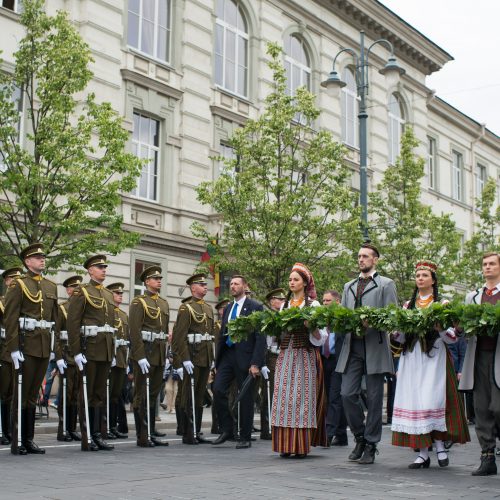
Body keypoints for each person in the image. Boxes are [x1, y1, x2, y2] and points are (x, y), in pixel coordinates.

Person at [391, 260, 470, 468]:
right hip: (412, 358)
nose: (420, 279)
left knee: (431, 401)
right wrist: (396, 332)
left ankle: (440, 446)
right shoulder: (408, 305)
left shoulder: (442, 305)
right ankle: (423, 453)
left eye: (425, 275)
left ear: (433, 280)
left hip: (434, 357)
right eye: (417, 276)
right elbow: (400, 339)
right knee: (416, 402)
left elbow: (453, 338)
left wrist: (441, 328)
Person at [336, 243, 398, 464]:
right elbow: (342, 315)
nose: (361, 259)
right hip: (352, 346)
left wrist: (373, 320)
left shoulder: (386, 284)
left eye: (365, 256)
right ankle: (360, 436)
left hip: (374, 344)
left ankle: (371, 444)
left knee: (373, 399)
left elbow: (393, 316)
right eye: (359, 256)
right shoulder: (349, 285)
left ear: (375, 260)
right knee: (346, 394)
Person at [5, 243, 59, 455]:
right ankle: (17, 440)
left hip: (44, 347)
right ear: (27, 261)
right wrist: (13, 348)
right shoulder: (18, 285)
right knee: (21, 394)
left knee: (32, 396)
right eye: (37, 257)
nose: (42, 260)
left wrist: (55, 349)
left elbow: (55, 320)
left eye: (43, 257)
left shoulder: (50, 286)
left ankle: (28, 439)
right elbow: (10, 318)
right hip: (26, 346)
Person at [271, 263, 328, 458]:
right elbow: (277, 335)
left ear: (304, 283)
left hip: (304, 355)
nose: (292, 282)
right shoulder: (285, 306)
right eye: (290, 280)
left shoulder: (314, 305)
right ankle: (284, 445)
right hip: (286, 355)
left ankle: (300, 445)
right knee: (283, 399)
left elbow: (322, 337)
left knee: (301, 398)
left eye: (295, 279)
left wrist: (310, 326)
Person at [67, 254, 116, 452]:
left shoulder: (107, 294)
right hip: (89, 349)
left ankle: (97, 435)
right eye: (99, 267)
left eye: (105, 267)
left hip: (104, 350)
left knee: (98, 395)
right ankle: (88, 437)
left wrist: (111, 352)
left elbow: (111, 325)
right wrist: (76, 352)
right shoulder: (82, 292)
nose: (104, 269)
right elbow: (73, 323)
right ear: (90, 270)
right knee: (86, 394)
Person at [459, 251, 500, 476]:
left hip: (498, 356)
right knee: (482, 409)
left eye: (492, 263)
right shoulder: (473, 296)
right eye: (484, 264)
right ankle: (487, 457)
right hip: (478, 357)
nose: (488, 267)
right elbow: (465, 327)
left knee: (498, 407)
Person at [212, 275, 265, 449]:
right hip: (227, 355)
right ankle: (228, 428)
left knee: (245, 397)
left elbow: (260, 337)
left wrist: (256, 363)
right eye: (231, 284)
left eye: (236, 284)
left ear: (245, 286)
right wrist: (217, 362)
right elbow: (222, 335)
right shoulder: (228, 308)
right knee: (218, 389)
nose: (233, 286)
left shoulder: (255, 307)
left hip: (245, 357)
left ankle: (245, 436)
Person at [172, 273, 215, 445]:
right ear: (193, 287)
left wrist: (211, 357)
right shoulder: (186, 308)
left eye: (205, 284)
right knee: (188, 395)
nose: (205, 287)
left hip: (205, 357)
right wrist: (184, 359)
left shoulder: (208, 308)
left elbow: (210, 335)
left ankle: (197, 430)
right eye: (201, 284)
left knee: (199, 396)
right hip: (193, 356)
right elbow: (178, 338)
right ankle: (188, 431)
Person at [129, 265, 169, 448]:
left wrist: (167, 356)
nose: (159, 280)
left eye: (160, 278)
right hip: (145, 354)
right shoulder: (139, 302)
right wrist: (139, 356)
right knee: (141, 395)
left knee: (153, 395)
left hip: (159, 354)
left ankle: (151, 432)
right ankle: (142, 435)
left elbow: (165, 332)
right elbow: (134, 331)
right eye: (155, 278)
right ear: (146, 282)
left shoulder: (163, 303)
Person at [54, 275, 83, 442]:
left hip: (79, 358)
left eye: (79, 288)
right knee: (66, 395)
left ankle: (72, 428)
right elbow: (56, 335)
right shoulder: (62, 309)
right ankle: (63, 429)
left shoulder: (82, 309)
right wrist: (58, 357)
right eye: (74, 288)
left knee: (76, 396)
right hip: (66, 357)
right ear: (68, 290)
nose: (77, 291)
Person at [322, 289, 348, 447]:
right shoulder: (321, 317)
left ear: (337, 302)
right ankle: (341, 434)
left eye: (328, 301)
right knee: (330, 397)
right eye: (323, 301)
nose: (325, 304)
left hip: (338, 360)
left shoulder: (343, 318)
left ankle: (329, 433)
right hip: (324, 360)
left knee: (334, 397)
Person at [259, 288, 286, 441]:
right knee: (270, 392)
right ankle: (266, 427)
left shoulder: (284, 316)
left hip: (282, 355)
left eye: (282, 300)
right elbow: (265, 341)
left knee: (280, 392)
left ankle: (276, 424)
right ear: (272, 301)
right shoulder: (267, 317)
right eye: (278, 300)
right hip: (271, 356)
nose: (281, 303)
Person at [0, 267, 23, 445]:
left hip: (16, 353)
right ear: (6, 281)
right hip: (3, 354)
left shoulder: (20, 304)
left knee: (12, 394)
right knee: (3, 392)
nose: (15, 282)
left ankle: (9, 429)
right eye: (12, 279)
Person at [106, 282, 129, 439]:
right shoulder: (106, 313)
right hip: (110, 358)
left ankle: (113, 426)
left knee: (115, 395)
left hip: (121, 358)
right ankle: (105, 426)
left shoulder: (123, 315)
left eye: (121, 293)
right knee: (107, 394)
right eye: (117, 293)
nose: (120, 295)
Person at [210, 298, 230, 435]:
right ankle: (215, 424)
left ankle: (226, 424)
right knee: (217, 393)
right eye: (223, 308)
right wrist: (214, 363)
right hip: (219, 362)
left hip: (228, 362)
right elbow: (215, 345)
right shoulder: (217, 326)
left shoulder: (230, 324)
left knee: (226, 394)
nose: (225, 310)